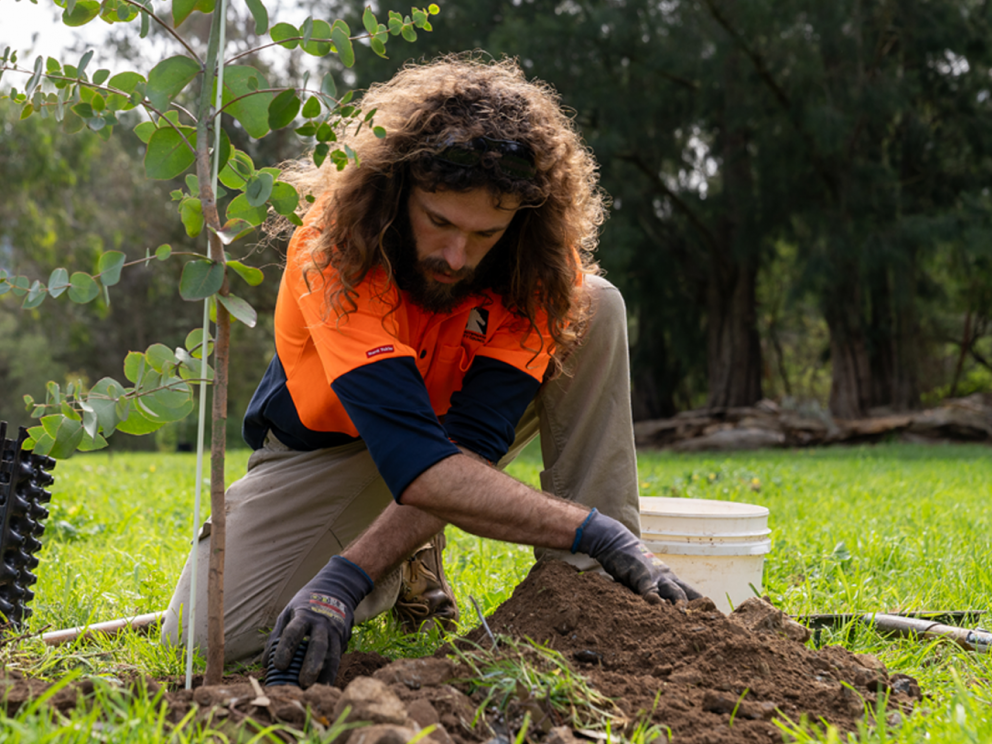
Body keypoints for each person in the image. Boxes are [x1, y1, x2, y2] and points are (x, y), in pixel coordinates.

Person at [162, 54, 700, 687]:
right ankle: (402, 561)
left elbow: (470, 445)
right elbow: (419, 462)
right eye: (440, 221)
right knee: (200, 638)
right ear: (396, 190)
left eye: (485, 234)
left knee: (595, 304)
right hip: (332, 449)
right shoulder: (336, 252)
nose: (456, 255)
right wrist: (345, 579)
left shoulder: (535, 272)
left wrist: (599, 539)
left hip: (446, 444)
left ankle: (592, 595)